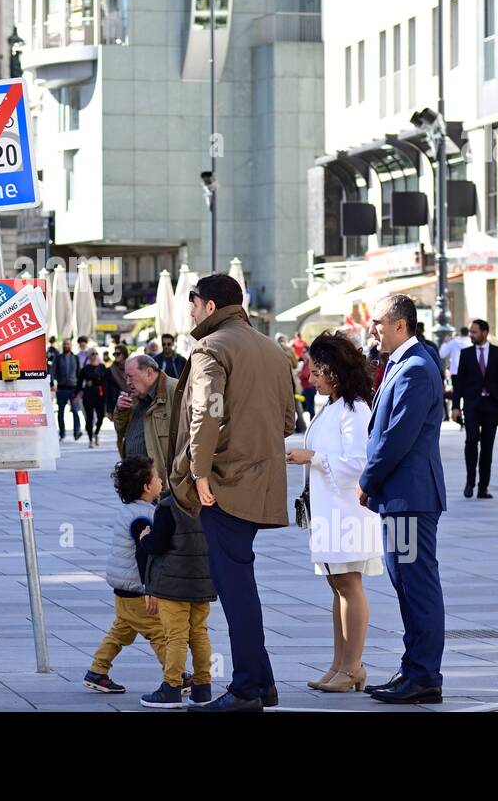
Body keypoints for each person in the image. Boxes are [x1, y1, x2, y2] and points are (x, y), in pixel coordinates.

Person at [171, 273, 295, 712]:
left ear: (209, 307)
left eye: (193, 303)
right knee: (242, 584)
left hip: (223, 485)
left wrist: (200, 473)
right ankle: (262, 683)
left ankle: (245, 689)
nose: (189, 312)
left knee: (236, 589)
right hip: (263, 484)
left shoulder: (212, 347)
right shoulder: (274, 349)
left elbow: (206, 413)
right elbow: (287, 421)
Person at [358, 293, 447, 705]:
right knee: (406, 584)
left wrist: (367, 480)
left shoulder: (414, 369)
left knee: (416, 586)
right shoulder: (403, 364)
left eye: (378, 322)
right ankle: (414, 670)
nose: (372, 328)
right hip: (402, 498)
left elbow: (396, 438)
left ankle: (424, 674)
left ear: (400, 325)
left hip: (409, 498)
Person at [286, 332, 382, 694]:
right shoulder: (335, 407)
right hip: (329, 510)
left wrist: (313, 457)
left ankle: (353, 665)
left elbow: (359, 463)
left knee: (348, 586)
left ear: (333, 371)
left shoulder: (355, 410)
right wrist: (306, 454)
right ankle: (340, 663)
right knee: (337, 586)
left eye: (315, 370)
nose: (309, 376)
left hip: (347, 512)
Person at [135, 455, 215, 708]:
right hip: (203, 580)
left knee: (176, 636)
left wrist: (145, 537)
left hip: (172, 583)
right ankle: (203, 688)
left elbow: (158, 545)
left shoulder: (170, 506)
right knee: (200, 633)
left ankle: (171, 687)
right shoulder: (210, 501)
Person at [82, 455, 166, 696]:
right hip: (137, 589)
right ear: (147, 487)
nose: (161, 481)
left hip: (123, 587)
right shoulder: (143, 518)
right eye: (157, 477)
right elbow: (143, 554)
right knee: (159, 632)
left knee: (121, 630)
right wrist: (150, 588)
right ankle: (177, 675)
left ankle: (97, 671)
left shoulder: (131, 510)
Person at [451, 319, 498, 499]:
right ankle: (470, 483)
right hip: (472, 406)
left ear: (484, 332)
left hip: (491, 406)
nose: (471, 334)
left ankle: (483, 487)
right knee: (471, 441)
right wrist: (455, 406)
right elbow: (459, 382)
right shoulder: (466, 354)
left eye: (474, 332)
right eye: (470, 331)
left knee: (487, 447)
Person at [112, 353, 176, 481]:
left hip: (161, 482)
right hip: (136, 478)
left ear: (149, 373)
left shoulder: (175, 391)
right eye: (126, 378)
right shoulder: (135, 396)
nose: (128, 382)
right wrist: (120, 410)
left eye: (131, 377)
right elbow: (121, 431)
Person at [50, 335, 82, 440]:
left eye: (68, 344)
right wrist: (52, 383)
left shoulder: (75, 358)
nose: (66, 346)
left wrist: (80, 389)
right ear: (62, 346)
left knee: (75, 410)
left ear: (71, 345)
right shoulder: (58, 358)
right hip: (61, 389)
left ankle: (76, 431)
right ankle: (62, 433)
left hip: (73, 388)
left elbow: (79, 374)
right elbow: (52, 371)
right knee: (61, 412)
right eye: (64, 344)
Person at [79, 349, 108, 447]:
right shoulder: (86, 368)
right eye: (92, 354)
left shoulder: (102, 367)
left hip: (100, 395)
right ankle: (90, 438)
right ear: (88, 356)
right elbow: (80, 382)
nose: (94, 355)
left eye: (96, 353)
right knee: (89, 419)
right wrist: (76, 394)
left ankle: (96, 433)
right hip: (89, 395)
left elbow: (106, 381)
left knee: (101, 417)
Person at [105, 349, 128, 418]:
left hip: (130, 400)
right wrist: (108, 409)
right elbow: (107, 389)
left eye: (118, 354)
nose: (115, 356)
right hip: (115, 400)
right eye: (114, 354)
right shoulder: (110, 369)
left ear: (124, 354)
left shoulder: (131, 367)